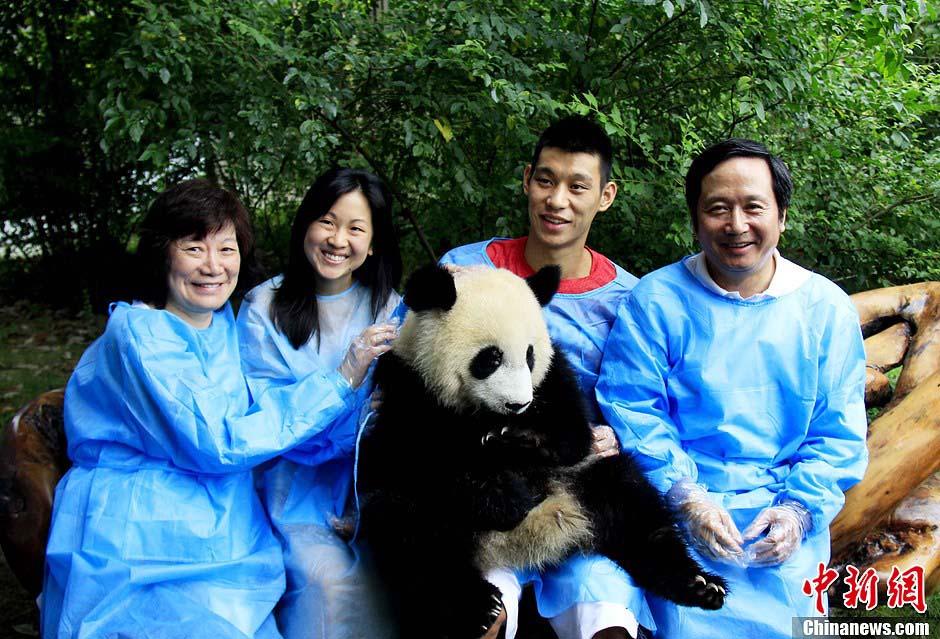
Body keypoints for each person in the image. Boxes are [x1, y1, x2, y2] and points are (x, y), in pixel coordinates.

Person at [41, 179, 390, 638]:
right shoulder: (141, 334)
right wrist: (343, 376)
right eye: (193, 247)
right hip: (141, 527)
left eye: (226, 249)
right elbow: (217, 441)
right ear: (162, 252)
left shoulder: (223, 323)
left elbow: (268, 415)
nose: (213, 266)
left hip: (224, 520)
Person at [596, 138, 868, 638]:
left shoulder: (825, 309)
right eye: (718, 209)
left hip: (779, 513)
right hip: (676, 507)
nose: (736, 225)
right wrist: (685, 496)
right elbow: (633, 407)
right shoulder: (656, 300)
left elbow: (837, 433)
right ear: (696, 220)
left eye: (753, 207)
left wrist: (798, 511)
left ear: (781, 216)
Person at [441, 115, 650, 639]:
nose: (558, 200)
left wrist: (620, 435)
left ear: (605, 196)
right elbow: (419, 376)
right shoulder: (466, 271)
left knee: (608, 620)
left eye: (578, 186)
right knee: (476, 612)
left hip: (578, 491)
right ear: (527, 179)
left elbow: (647, 403)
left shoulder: (630, 300)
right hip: (479, 487)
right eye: (546, 180)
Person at [236, 168, 402, 639]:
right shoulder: (262, 307)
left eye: (356, 228)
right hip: (294, 488)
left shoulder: (389, 307)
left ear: (373, 244)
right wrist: (346, 378)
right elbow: (269, 422)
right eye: (327, 222)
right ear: (306, 225)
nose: (337, 239)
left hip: (371, 487)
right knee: (326, 583)